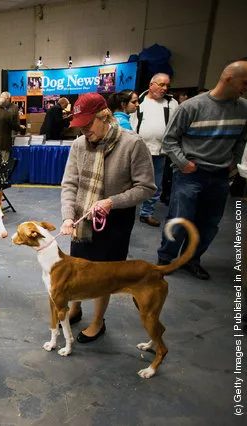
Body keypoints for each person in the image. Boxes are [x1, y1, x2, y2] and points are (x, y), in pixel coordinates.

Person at [60, 93, 155, 343]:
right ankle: (76, 307)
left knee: (104, 275)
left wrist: (112, 202)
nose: (83, 131)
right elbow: (69, 184)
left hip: (114, 223)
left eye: (87, 125)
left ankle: (98, 321)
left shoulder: (132, 144)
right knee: (77, 267)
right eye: (79, 126)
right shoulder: (79, 146)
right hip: (82, 221)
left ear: (105, 116)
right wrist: (68, 217)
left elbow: (146, 187)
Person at [157, 60, 247, 280]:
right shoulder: (191, 107)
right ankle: (165, 259)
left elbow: (241, 139)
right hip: (190, 175)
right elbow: (169, 141)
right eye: (244, 82)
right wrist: (183, 164)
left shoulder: (244, 108)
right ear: (228, 79)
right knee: (179, 220)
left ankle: (192, 260)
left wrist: (233, 163)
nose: (246, 88)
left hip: (219, 176)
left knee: (208, 224)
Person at [130, 73, 179, 227]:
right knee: (129, 182)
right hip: (137, 151)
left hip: (160, 152)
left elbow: (176, 126)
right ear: (151, 85)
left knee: (155, 184)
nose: (165, 88)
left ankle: (146, 213)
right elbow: (131, 124)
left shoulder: (172, 104)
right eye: (161, 84)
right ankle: (126, 209)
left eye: (167, 85)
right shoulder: (139, 102)